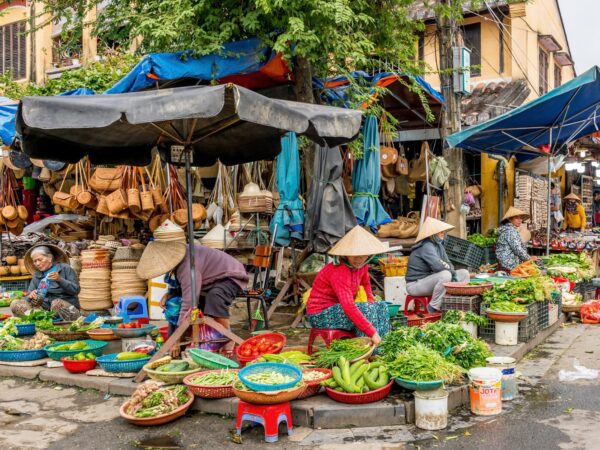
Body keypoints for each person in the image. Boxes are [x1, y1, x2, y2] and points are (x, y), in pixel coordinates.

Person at [136, 220, 249, 354]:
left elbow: (189, 302)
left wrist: (177, 340)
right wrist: (170, 295)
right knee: (174, 305)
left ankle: (227, 338)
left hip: (231, 275)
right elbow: (180, 287)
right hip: (209, 280)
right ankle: (179, 344)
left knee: (215, 297)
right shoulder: (177, 263)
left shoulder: (188, 265)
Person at [306, 226, 390, 347]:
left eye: (363, 255)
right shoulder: (340, 271)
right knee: (365, 310)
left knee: (381, 306)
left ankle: (382, 348)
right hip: (320, 314)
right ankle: (367, 350)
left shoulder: (362, 266)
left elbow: (365, 283)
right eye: (354, 255)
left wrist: (370, 300)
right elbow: (348, 306)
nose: (359, 259)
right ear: (346, 254)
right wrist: (372, 332)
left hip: (338, 308)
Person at [405, 217, 470, 314]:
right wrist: (447, 268)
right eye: (440, 232)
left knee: (464, 273)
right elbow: (438, 266)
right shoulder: (426, 246)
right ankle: (433, 306)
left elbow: (449, 264)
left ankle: (459, 303)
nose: (443, 233)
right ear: (432, 234)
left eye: (443, 232)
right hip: (415, 285)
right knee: (445, 275)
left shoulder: (439, 245)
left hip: (430, 280)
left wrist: (449, 268)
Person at [10, 244, 81, 321]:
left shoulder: (65, 268)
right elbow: (28, 297)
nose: (37, 264)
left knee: (56, 303)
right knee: (16, 303)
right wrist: (30, 296)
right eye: (35, 261)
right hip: (45, 312)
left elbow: (76, 290)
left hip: (66, 310)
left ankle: (61, 322)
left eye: (39, 260)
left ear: (50, 258)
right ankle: (36, 322)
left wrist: (60, 280)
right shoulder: (37, 275)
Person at [495, 207, 531, 271]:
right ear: (510, 219)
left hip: (505, 263)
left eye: (520, 218)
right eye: (517, 218)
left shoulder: (507, 229)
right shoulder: (510, 231)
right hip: (509, 265)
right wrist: (529, 258)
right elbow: (517, 249)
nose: (520, 220)